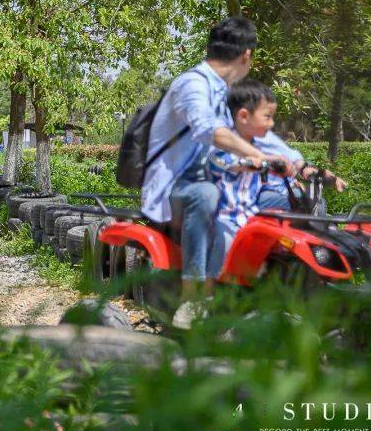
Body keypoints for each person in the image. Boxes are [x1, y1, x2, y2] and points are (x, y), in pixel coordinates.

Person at [140, 17, 292, 327]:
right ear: (246, 55)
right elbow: (209, 130)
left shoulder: (224, 92)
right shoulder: (192, 84)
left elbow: (256, 136)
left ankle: (262, 286)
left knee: (282, 197)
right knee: (206, 194)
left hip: (218, 175)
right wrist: (256, 155)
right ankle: (193, 297)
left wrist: (298, 165)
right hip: (177, 185)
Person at [207, 79, 347, 275]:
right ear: (243, 116)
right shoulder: (222, 140)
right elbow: (229, 163)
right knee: (227, 242)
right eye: (267, 117)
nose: (271, 123)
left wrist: (325, 175)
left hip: (250, 210)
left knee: (309, 208)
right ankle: (207, 296)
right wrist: (260, 163)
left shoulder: (262, 138)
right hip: (225, 213)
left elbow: (296, 163)